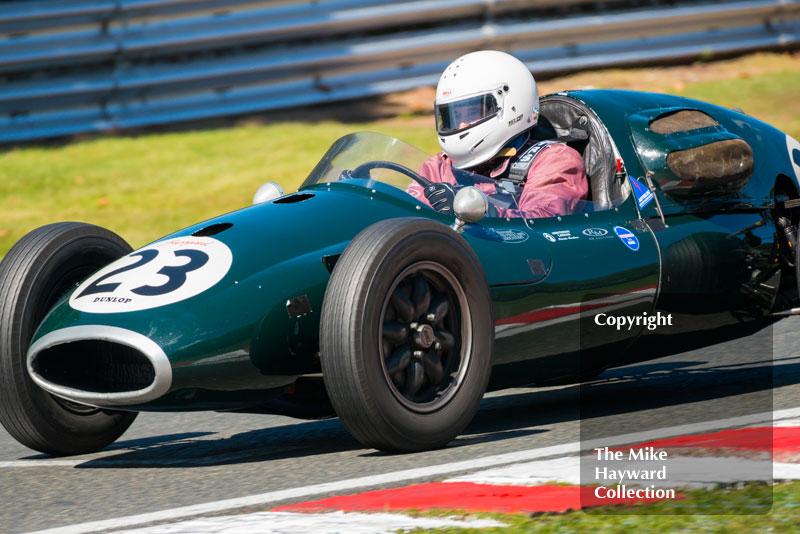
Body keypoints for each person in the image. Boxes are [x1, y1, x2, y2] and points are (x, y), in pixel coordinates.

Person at [407, 50, 588, 219]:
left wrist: (482, 212)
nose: (461, 124)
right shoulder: (439, 167)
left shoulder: (554, 160)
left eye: (471, 113)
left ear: (511, 106)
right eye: (455, 116)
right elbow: (405, 216)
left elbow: (542, 222)